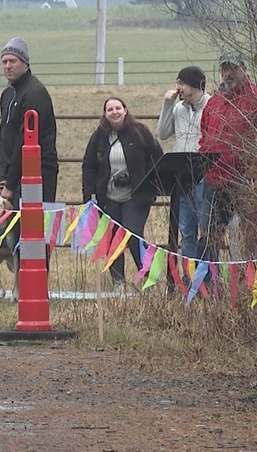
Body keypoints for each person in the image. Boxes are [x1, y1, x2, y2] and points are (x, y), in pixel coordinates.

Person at [198, 51, 257, 261]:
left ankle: (249, 286)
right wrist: (205, 164)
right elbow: (205, 134)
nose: (228, 73)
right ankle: (206, 288)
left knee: (250, 236)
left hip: (245, 183)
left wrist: (254, 173)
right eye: (224, 68)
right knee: (208, 238)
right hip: (214, 182)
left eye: (233, 67)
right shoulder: (214, 102)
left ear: (244, 69)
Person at [81, 97, 164, 290]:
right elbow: (89, 166)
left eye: (118, 108)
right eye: (110, 109)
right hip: (108, 197)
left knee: (133, 235)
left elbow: (157, 158)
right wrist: (89, 194)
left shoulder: (140, 132)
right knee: (112, 239)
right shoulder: (99, 137)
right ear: (105, 114)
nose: (114, 112)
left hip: (136, 196)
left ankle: (148, 280)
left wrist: (146, 184)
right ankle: (118, 282)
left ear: (125, 110)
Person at [156, 65, 210, 258]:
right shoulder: (178, 108)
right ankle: (189, 277)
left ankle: (207, 278)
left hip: (204, 175)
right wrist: (167, 104)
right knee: (187, 232)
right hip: (182, 176)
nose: (178, 87)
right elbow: (162, 133)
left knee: (207, 230)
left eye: (182, 83)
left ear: (195, 85)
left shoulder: (211, 106)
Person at [0, 37, 58, 203]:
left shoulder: (34, 94)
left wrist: (10, 183)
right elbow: (4, 138)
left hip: (36, 174)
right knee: (12, 226)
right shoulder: (8, 94)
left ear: (25, 63)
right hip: (12, 176)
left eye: (13, 61)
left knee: (32, 224)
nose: (8, 66)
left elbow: (25, 140)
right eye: (4, 62)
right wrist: (3, 177)